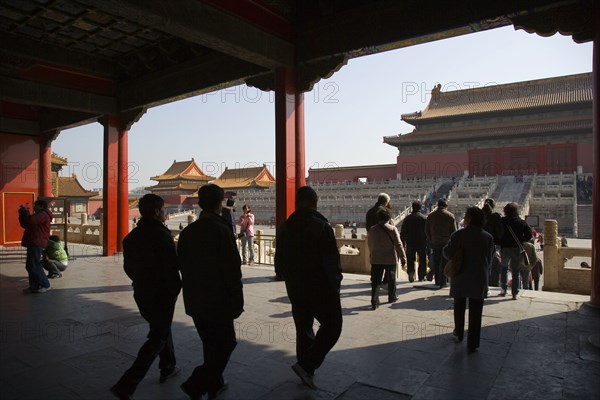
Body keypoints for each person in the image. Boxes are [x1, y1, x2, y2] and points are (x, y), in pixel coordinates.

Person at [110, 194, 182, 400]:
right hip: (162, 293)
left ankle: (168, 366)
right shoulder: (162, 235)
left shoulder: (131, 237)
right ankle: (127, 383)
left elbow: (129, 268)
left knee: (160, 327)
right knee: (158, 336)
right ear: (157, 212)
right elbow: (172, 266)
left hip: (142, 291)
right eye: (164, 210)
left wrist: (141, 281)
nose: (166, 213)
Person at [178, 184, 243, 399]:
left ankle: (215, 384)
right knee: (226, 342)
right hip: (218, 300)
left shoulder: (188, 232)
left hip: (195, 299)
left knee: (210, 343)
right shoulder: (222, 230)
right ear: (220, 203)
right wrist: (237, 300)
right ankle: (196, 383)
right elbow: (232, 270)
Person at [275, 186, 343, 390]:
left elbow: (279, 264)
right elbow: (331, 261)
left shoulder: (285, 227)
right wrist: (335, 285)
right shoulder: (320, 226)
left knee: (304, 328)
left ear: (297, 202)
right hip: (319, 286)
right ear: (315, 201)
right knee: (333, 325)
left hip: (295, 287)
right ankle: (307, 365)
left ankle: (307, 370)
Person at [444, 207, 494, 353]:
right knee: (476, 310)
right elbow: (490, 259)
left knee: (459, 305)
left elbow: (447, 253)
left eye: (466, 215)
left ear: (470, 218)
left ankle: (459, 332)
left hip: (460, 275)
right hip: (479, 276)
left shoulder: (458, 235)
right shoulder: (488, 237)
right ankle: (473, 342)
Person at [367, 207, 406, 309]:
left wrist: (371, 255)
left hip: (376, 258)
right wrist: (402, 257)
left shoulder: (372, 229)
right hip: (390, 259)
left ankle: (374, 301)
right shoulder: (392, 229)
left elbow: (370, 244)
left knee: (375, 282)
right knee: (391, 280)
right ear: (388, 218)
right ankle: (392, 297)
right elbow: (398, 244)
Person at [498, 202, 533, 300]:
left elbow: (498, 232)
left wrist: (501, 241)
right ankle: (514, 293)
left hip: (505, 247)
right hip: (517, 248)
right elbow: (529, 235)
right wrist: (521, 240)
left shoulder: (502, 221)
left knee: (504, 268)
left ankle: (503, 289)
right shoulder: (521, 222)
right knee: (515, 271)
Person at [19, 200, 53, 293]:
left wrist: (25, 212)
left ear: (41, 206)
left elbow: (31, 220)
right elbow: (25, 223)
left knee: (34, 264)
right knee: (30, 265)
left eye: (36, 206)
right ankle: (34, 286)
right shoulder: (38, 214)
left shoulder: (43, 214)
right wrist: (22, 214)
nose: (34, 207)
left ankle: (45, 284)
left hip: (37, 241)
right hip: (33, 241)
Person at [425, 198, 456, 288]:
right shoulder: (450, 216)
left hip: (434, 242)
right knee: (445, 262)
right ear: (446, 206)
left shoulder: (431, 215)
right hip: (446, 242)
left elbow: (426, 230)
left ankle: (437, 280)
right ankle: (443, 281)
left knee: (436, 261)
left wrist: (430, 239)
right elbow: (453, 232)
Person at [400, 201, 428, 282]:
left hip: (410, 242)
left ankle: (411, 272)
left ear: (412, 207)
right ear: (420, 207)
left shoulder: (407, 218)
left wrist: (402, 242)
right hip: (422, 242)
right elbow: (427, 231)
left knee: (410, 259)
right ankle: (421, 276)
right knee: (422, 259)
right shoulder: (424, 218)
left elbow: (403, 232)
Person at [482, 198, 504, 287]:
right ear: (493, 206)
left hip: (476, 243)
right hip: (490, 243)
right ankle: (485, 287)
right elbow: (500, 231)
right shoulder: (495, 216)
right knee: (488, 265)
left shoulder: (478, 214)